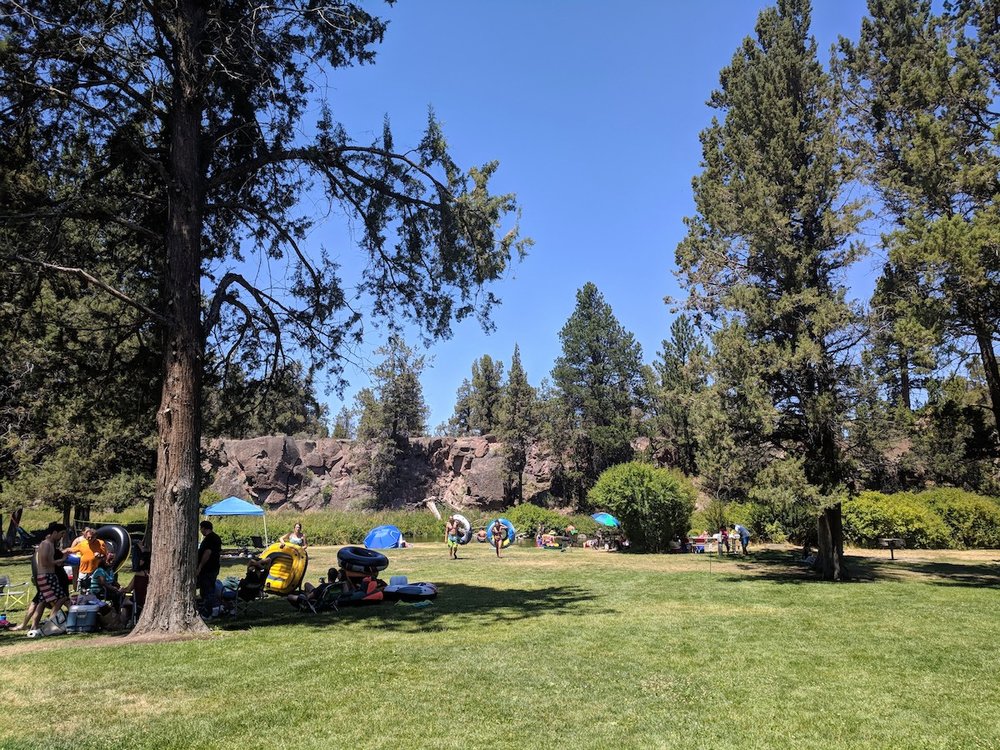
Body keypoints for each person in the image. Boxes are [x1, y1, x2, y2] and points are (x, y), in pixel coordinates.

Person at [26, 522, 71, 637]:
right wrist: (62, 560)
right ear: (54, 532)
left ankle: (34, 627)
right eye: (61, 533)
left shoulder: (50, 544)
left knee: (42, 601)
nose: (62, 536)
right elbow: (45, 563)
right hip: (47, 576)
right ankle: (51, 622)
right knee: (62, 597)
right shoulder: (46, 544)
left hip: (47, 576)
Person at [63, 527, 107, 592]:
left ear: (95, 536)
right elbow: (72, 550)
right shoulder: (82, 543)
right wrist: (63, 551)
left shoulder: (100, 543)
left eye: (91, 537)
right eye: (88, 537)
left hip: (94, 571)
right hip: (83, 571)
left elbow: (106, 555)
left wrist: (100, 555)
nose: (89, 539)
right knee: (82, 590)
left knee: (92, 590)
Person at [196, 520, 223, 617]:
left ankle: (209, 612)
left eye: (201, 528)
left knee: (207, 590)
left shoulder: (209, 539)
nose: (200, 530)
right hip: (214, 567)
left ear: (204, 528)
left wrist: (200, 566)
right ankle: (209, 609)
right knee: (208, 588)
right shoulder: (216, 538)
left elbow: (207, 553)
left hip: (208, 568)